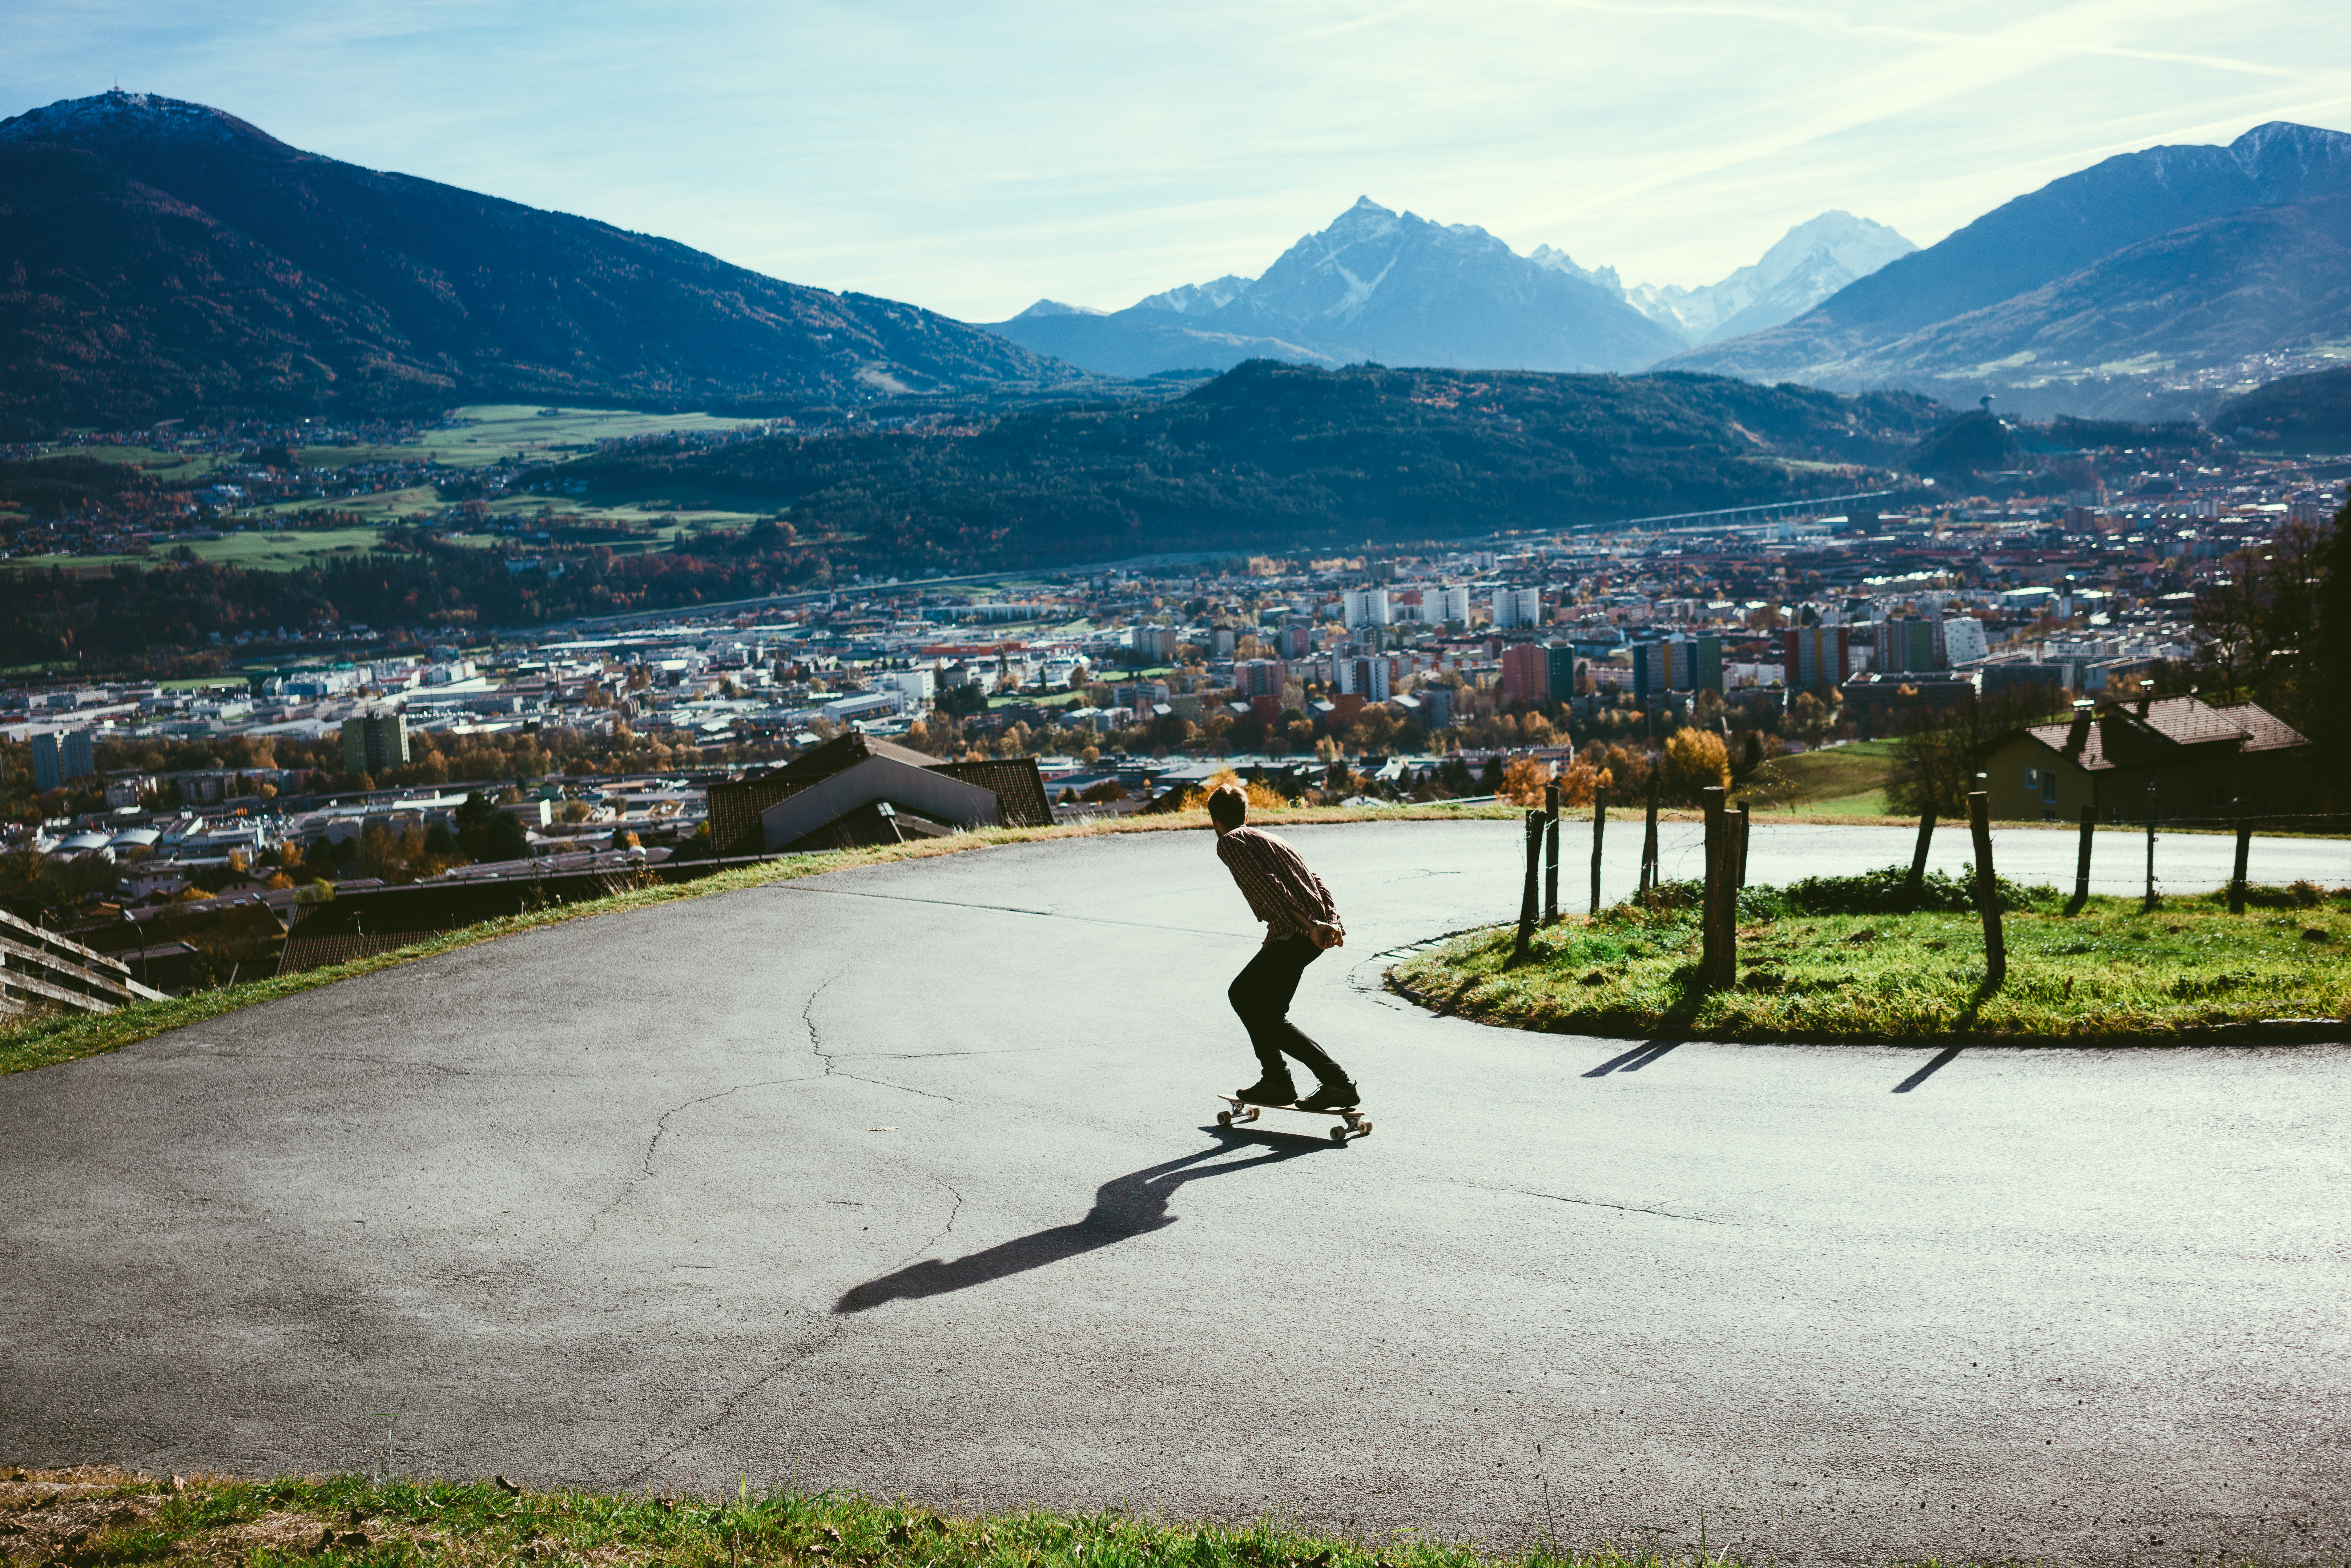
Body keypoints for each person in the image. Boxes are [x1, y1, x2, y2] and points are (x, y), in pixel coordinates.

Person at [1206, 782, 1360, 1110]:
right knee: (1253, 1002)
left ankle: (1335, 1083)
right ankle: (1277, 1080)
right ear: (1247, 815)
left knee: (1257, 1006)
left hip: (1296, 933)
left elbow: (1269, 889)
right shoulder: (1275, 840)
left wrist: (1309, 927)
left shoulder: (1230, 843)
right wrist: (1330, 921)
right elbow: (1316, 881)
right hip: (1308, 931)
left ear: (1213, 821)